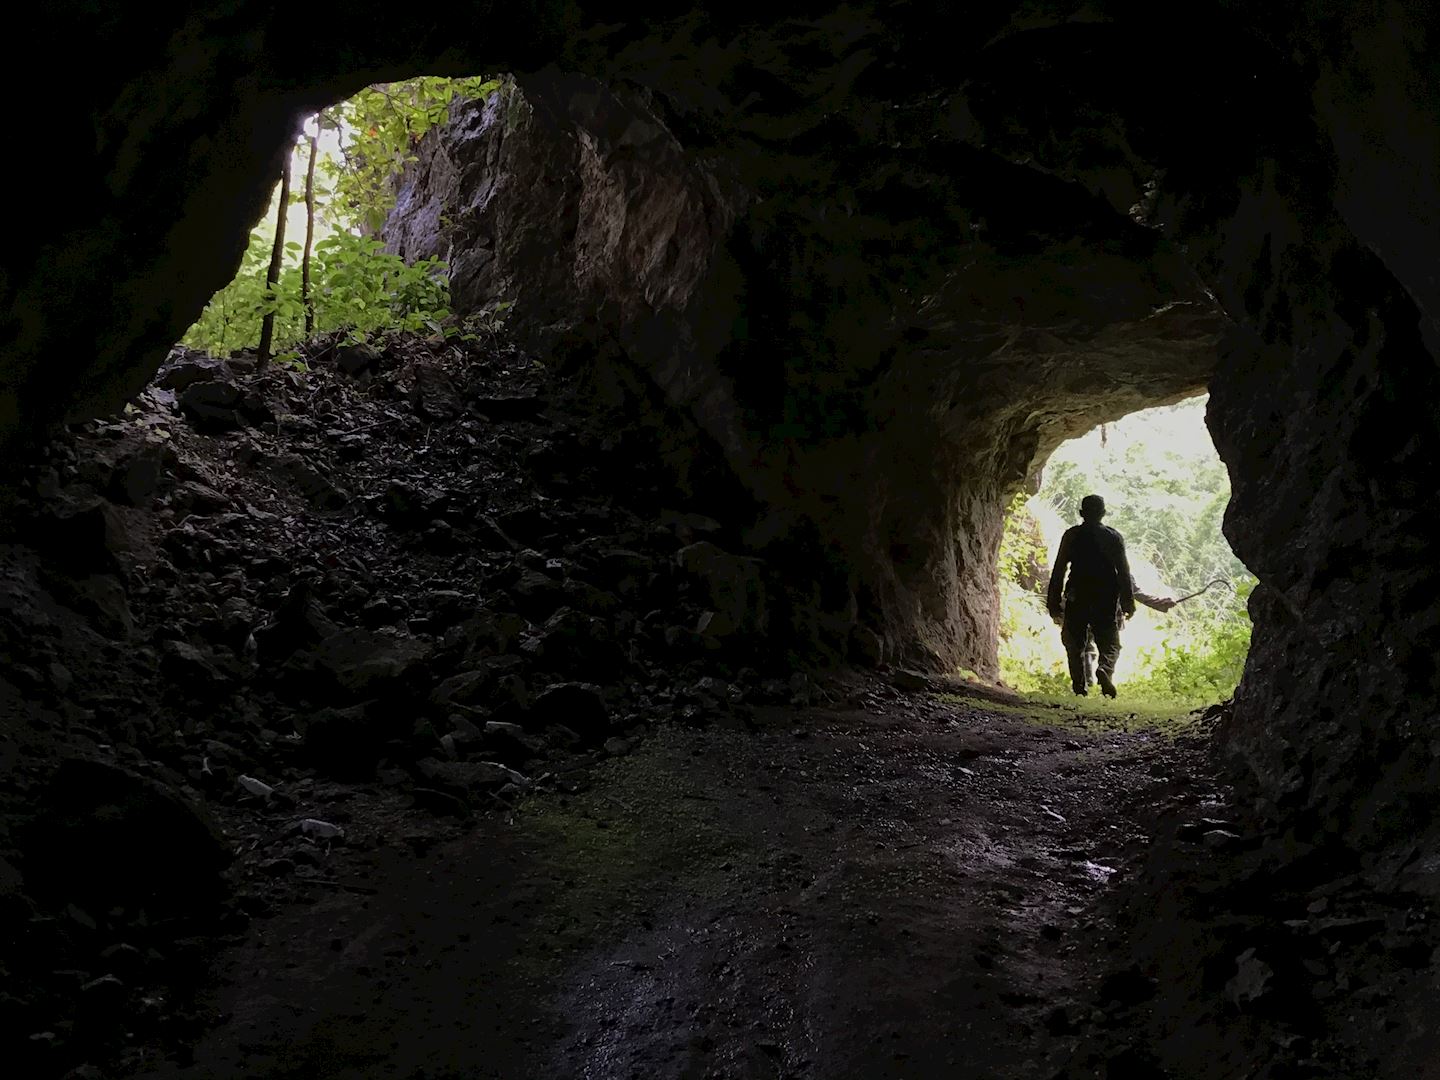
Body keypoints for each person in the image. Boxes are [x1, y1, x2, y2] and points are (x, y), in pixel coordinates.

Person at [1046, 495, 1162, 698]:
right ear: (1103, 513)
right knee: (1111, 644)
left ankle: (1079, 688)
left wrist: (1053, 602)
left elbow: (1059, 570)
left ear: (1081, 513)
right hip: (1105, 598)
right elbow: (1123, 572)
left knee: (1074, 643)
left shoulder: (1071, 535)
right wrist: (1128, 602)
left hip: (1077, 595)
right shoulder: (1113, 537)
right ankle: (1104, 669)